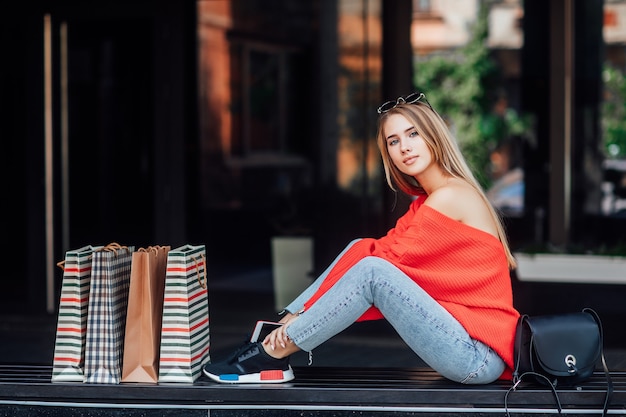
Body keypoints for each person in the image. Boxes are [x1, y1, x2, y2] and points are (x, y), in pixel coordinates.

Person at [203, 92, 520, 385]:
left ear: (434, 137)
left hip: (478, 355)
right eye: (393, 141)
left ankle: (274, 353)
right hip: (463, 340)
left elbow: (383, 268)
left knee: (373, 272)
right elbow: (375, 250)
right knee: (362, 250)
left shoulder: (450, 197)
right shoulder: (428, 200)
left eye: (413, 134)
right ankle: (278, 334)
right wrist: (295, 313)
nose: (405, 147)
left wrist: (301, 321)